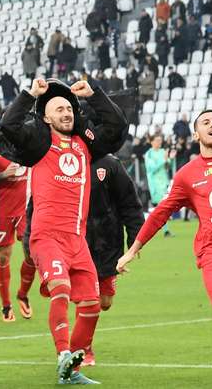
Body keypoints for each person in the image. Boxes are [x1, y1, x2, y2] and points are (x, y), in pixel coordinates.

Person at [0, 79, 126, 385]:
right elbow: (9, 125)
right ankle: (62, 356)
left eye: (69, 108)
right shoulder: (38, 144)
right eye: (59, 109)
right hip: (46, 235)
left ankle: (73, 368)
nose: (66, 112)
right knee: (60, 288)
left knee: (91, 305)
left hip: (77, 239)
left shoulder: (86, 144)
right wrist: (30, 94)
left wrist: (94, 95)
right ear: (46, 117)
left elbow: (116, 126)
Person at [117, 109, 212, 369]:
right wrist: (133, 248)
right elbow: (160, 214)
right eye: (206, 122)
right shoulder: (187, 175)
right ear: (196, 134)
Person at [81, 154, 143, 365]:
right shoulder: (65, 159)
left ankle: (83, 340)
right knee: (87, 298)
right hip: (78, 240)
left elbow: (130, 204)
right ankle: (84, 348)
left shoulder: (110, 164)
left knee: (104, 302)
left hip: (108, 242)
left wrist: (135, 239)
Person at [0, 144, 36, 322]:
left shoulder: (29, 143)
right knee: (3, 257)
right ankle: (6, 305)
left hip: (26, 209)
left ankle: (22, 294)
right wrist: (4, 174)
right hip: (3, 211)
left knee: (33, 255)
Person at [143, 134, 175, 237]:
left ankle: (150, 223)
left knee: (161, 209)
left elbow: (167, 166)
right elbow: (152, 168)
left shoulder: (162, 152)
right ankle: (164, 230)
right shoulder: (149, 154)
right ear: (151, 142)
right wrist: (165, 160)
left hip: (164, 183)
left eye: (160, 140)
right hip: (155, 185)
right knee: (162, 208)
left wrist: (171, 159)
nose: (159, 142)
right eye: (157, 140)